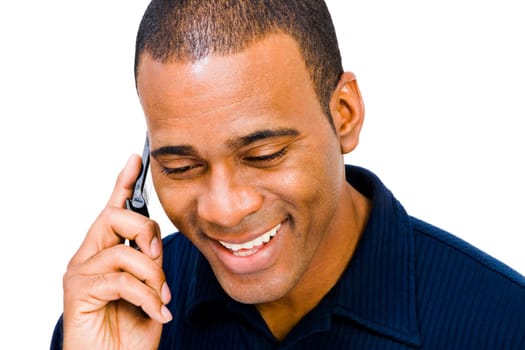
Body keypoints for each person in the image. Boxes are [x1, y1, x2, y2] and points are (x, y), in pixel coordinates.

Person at [51, 0, 525, 349]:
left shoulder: (504, 325)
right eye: (181, 167)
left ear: (344, 115)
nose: (224, 209)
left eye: (265, 155)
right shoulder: (115, 316)